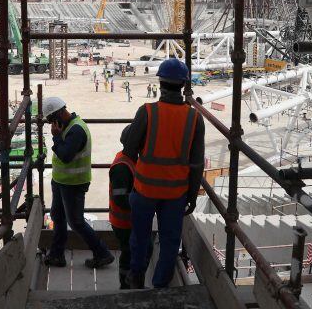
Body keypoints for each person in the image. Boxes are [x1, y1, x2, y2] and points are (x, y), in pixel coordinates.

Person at [122, 59, 205, 289]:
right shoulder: (195, 118)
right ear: (183, 84)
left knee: (139, 236)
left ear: (160, 83)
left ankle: (136, 276)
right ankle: (160, 285)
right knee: (170, 241)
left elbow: (129, 149)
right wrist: (192, 195)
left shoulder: (147, 112)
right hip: (176, 193)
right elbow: (197, 164)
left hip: (145, 190)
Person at [41, 97, 114, 269]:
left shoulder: (76, 130)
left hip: (73, 184)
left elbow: (66, 156)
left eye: (51, 119)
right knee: (57, 217)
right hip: (61, 181)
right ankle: (57, 255)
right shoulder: (67, 126)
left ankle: (102, 253)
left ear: (59, 113)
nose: (51, 124)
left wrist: (56, 138)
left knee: (76, 222)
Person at [110, 125, 152, 289]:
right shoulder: (122, 167)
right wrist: (144, 203)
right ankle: (128, 285)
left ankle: (130, 283)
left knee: (136, 251)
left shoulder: (132, 159)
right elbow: (120, 199)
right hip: (125, 222)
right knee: (132, 252)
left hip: (131, 219)